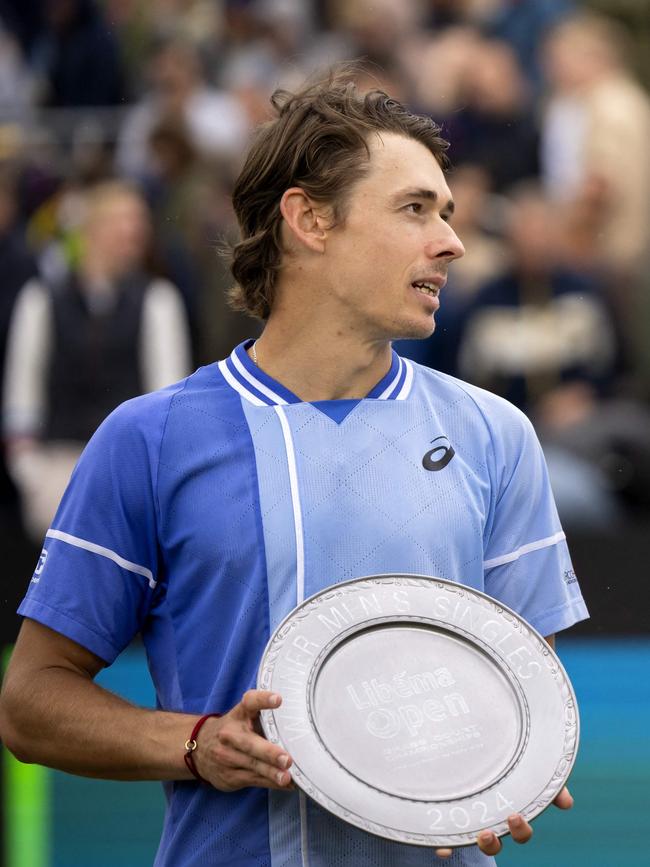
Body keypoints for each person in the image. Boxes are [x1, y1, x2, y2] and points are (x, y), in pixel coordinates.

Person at [0, 72, 587, 867]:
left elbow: (524, 686)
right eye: (415, 208)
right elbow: (30, 704)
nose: (450, 239)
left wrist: (508, 763)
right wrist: (196, 742)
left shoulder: (496, 434)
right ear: (310, 219)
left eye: (446, 213)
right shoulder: (149, 438)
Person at [2, 179, 191, 542]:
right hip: (55, 467)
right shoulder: (41, 299)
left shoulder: (158, 300)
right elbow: (22, 391)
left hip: (130, 472)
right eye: (120, 222)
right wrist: (30, 471)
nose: (132, 233)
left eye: (137, 223)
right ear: (91, 229)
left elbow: (168, 399)